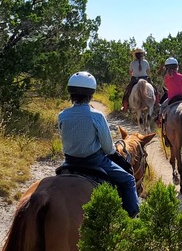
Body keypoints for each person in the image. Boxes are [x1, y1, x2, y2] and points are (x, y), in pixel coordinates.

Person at [58, 71, 139, 218]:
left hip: (69, 161)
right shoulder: (96, 115)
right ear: (91, 94)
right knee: (129, 180)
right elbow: (108, 149)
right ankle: (132, 217)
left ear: (71, 93)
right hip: (95, 161)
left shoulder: (62, 115)